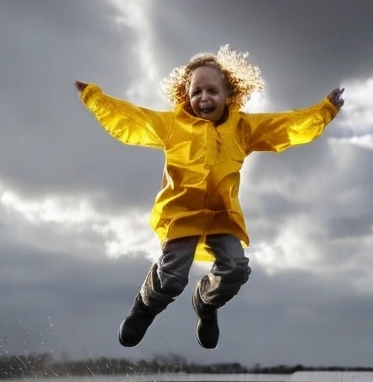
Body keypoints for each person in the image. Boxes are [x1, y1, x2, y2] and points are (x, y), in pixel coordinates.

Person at [75, 45, 344, 350]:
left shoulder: (243, 128)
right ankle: (144, 308)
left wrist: (326, 109)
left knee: (236, 268)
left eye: (212, 91)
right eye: (197, 92)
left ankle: (205, 303)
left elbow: (287, 126)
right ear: (185, 95)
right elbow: (132, 120)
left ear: (228, 93)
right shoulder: (172, 126)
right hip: (182, 212)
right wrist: (94, 97)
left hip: (221, 214)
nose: (204, 98)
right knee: (173, 276)